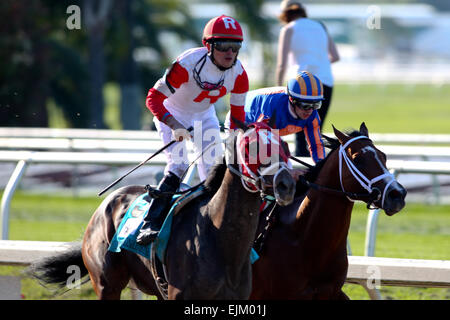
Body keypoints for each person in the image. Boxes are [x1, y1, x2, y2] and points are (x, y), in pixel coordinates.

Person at [136, 15, 249, 245]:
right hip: (172, 113)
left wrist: (240, 143)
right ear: (208, 46)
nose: (230, 53)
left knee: (213, 171)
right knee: (178, 165)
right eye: (223, 46)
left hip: (204, 115)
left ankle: (214, 227)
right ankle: (151, 223)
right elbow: (153, 99)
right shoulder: (187, 64)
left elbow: (237, 118)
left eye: (235, 47)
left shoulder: (239, 74)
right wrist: (175, 125)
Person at [276, 0, 339, 157]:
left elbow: (281, 64)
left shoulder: (288, 29)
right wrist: (319, 64)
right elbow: (335, 56)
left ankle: (301, 174)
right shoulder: (320, 26)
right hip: (325, 81)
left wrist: (278, 89)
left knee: (299, 132)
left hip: (301, 83)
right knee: (316, 130)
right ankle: (317, 171)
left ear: (285, 15)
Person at [243, 71, 326, 165]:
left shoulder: (312, 115)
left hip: (267, 132)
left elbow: (316, 145)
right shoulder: (272, 107)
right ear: (292, 100)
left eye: (316, 105)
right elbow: (263, 145)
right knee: (244, 162)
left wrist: (321, 166)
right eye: (305, 105)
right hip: (241, 122)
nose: (310, 111)